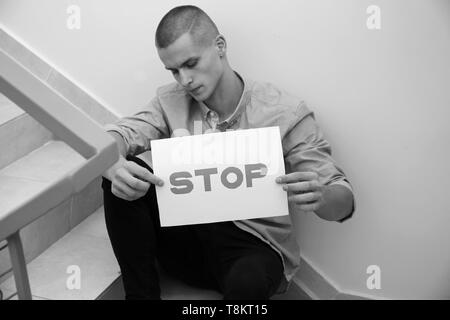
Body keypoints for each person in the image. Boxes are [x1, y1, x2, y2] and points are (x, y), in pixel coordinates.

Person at [102, 5, 355, 300]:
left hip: (252, 246)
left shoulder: (284, 112)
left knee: (247, 284)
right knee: (122, 171)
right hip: (185, 241)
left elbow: (343, 201)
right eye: (174, 70)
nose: (185, 79)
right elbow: (116, 136)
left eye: (191, 63)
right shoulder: (170, 100)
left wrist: (322, 196)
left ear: (219, 46)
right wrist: (111, 165)